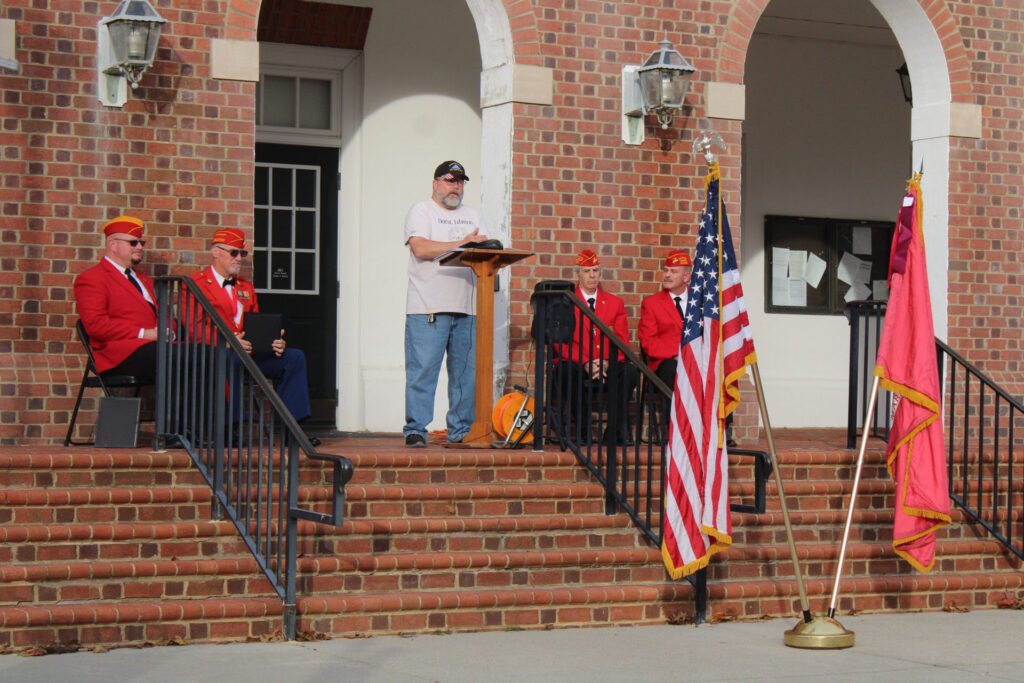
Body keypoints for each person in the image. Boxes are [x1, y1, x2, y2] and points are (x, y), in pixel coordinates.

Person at [190, 228, 320, 446]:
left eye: (242, 253)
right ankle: (232, 428)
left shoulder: (245, 286)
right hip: (218, 352)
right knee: (229, 359)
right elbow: (194, 327)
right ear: (216, 252)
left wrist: (273, 341)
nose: (239, 258)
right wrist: (229, 341)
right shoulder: (196, 283)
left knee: (293, 357)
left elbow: (256, 324)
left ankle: (293, 429)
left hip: (250, 353)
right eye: (234, 253)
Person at [403, 160, 489, 448]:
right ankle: (416, 429)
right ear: (435, 183)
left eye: (461, 182)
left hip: (469, 306)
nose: (456, 187)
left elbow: (487, 251)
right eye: (450, 180)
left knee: (465, 374)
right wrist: (460, 245)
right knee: (423, 371)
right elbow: (421, 247)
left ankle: (461, 430)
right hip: (428, 306)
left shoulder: (473, 214)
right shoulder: (421, 210)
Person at [554, 248, 638, 445]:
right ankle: (583, 432)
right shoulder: (565, 301)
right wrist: (586, 362)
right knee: (566, 372)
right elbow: (559, 343)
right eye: (586, 271)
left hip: (606, 363)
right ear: (578, 274)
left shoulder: (615, 303)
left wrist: (605, 362)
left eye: (595, 271)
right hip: (576, 362)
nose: (592, 275)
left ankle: (613, 433)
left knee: (629, 373)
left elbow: (621, 340)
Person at [74, 216, 160, 383]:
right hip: (119, 353)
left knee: (204, 355)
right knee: (184, 359)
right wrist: (143, 333)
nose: (140, 247)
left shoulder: (145, 280)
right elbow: (96, 325)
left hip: (153, 347)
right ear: (113, 244)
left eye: (142, 243)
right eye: (133, 243)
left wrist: (168, 332)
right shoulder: (92, 278)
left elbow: (165, 312)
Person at [638, 249, 692, 389]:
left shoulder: (701, 303)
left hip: (697, 360)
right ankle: (671, 412)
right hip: (666, 363)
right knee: (672, 368)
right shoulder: (651, 304)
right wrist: (679, 354)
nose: (667, 275)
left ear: (686, 277)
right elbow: (648, 343)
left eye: (673, 272)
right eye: (666, 270)